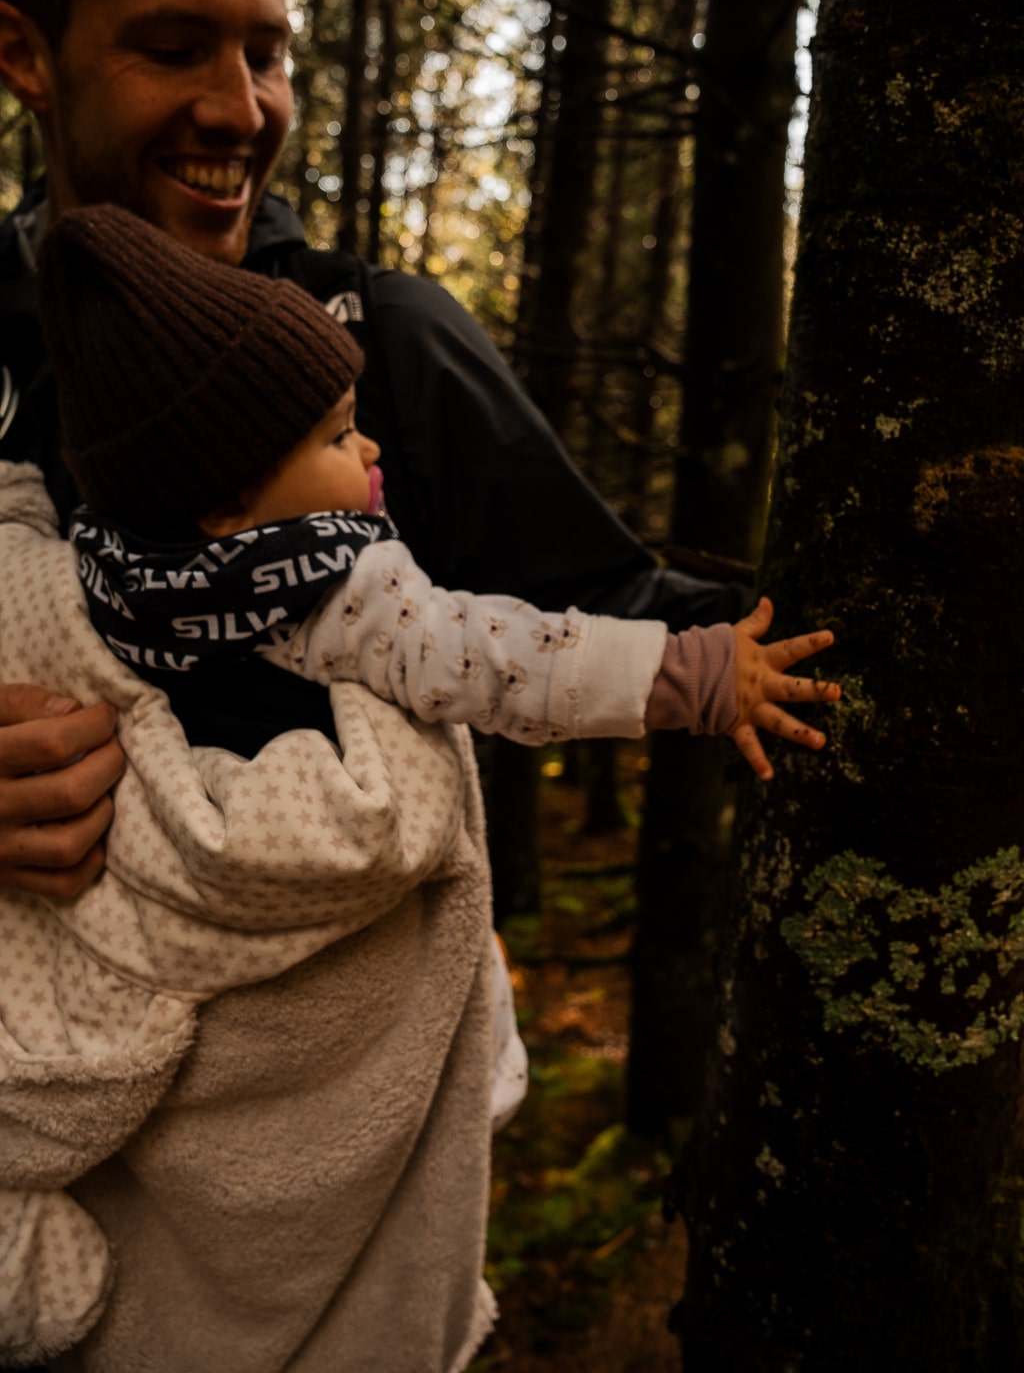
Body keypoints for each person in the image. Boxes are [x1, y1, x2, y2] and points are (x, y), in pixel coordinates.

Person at [0, 201, 839, 1371]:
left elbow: (12, 549)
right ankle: (485, 1078)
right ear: (226, 502)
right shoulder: (336, 588)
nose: (373, 452)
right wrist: (695, 676)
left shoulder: (98, 571)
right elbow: (505, 659)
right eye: (341, 437)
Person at [0, 0, 751, 900]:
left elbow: (606, 602)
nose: (242, 108)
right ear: (26, 56)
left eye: (266, 54)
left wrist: (896, 626)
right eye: (173, 49)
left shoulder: (380, 339)